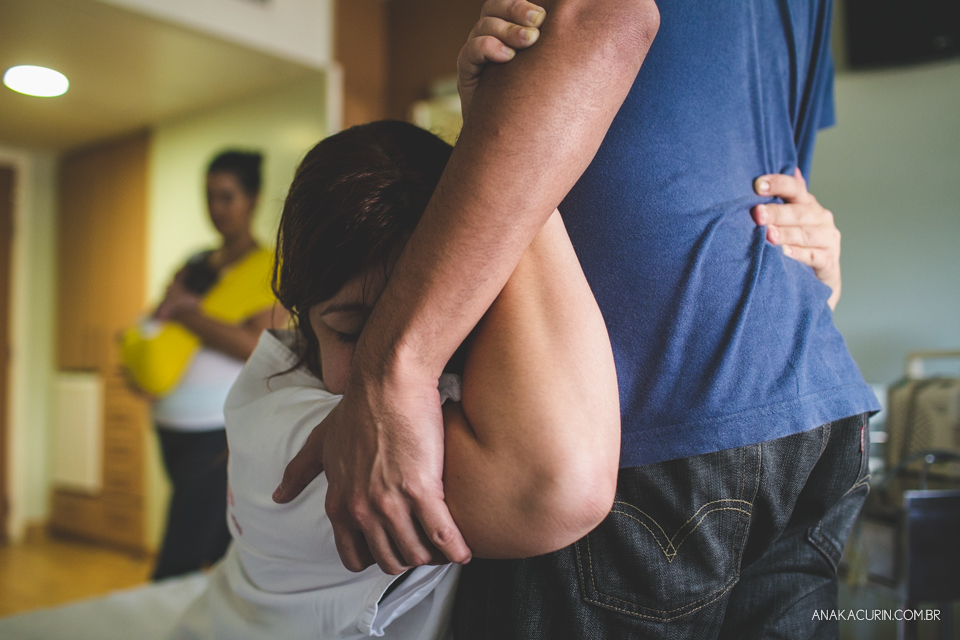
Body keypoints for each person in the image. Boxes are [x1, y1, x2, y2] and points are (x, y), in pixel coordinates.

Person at [275, 0, 878, 638]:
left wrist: (392, 371)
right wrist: (801, 287)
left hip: (652, 403)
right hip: (811, 399)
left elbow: (602, 15)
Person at [169, 120, 620, 639]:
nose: (384, 360)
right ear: (299, 309)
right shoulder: (296, 442)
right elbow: (558, 484)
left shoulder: (300, 363)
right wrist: (503, 139)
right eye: (353, 330)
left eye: (435, 324)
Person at [121, 151, 286, 580]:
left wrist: (188, 313)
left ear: (252, 199)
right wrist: (140, 368)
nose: (216, 208)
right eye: (210, 196)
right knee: (215, 543)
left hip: (218, 431)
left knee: (179, 556)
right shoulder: (196, 263)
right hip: (170, 426)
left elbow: (257, 345)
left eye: (227, 197)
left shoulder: (268, 267)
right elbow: (158, 324)